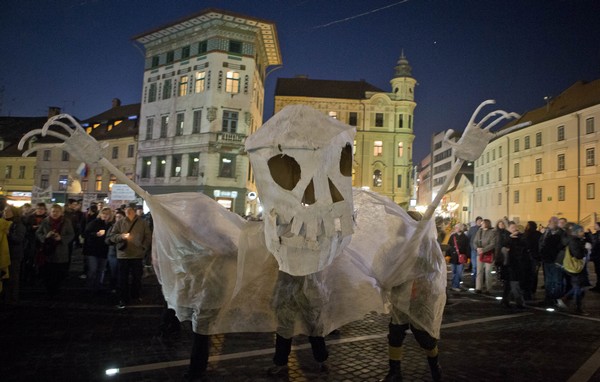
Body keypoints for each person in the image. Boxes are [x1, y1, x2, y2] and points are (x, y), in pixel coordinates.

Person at [108, 204, 152, 308]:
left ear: (134, 211)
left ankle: (135, 295)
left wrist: (144, 248)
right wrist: (121, 236)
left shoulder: (142, 222)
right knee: (123, 278)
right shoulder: (120, 222)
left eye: (130, 211)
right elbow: (112, 236)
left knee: (137, 277)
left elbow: (148, 236)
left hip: (137, 254)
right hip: (123, 255)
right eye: (127, 211)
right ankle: (123, 298)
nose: (128, 213)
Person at [35, 204, 74, 296]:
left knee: (59, 273)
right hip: (48, 251)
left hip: (61, 250)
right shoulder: (45, 221)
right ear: (50, 212)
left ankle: (56, 289)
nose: (55, 213)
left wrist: (61, 238)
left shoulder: (66, 222)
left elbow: (71, 234)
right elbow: (38, 233)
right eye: (53, 211)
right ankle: (49, 290)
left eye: (57, 211)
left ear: (61, 213)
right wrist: (45, 236)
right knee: (48, 272)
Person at [559, 225, 590, 315]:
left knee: (578, 287)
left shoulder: (575, 240)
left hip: (576, 267)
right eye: (581, 231)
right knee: (578, 287)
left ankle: (564, 299)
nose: (583, 232)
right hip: (576, 267)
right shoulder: (574, 241)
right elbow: (578, 255)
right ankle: (577, 307)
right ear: (576, 232)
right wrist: (586, 249)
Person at [1, 205, 26, 305]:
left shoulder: (18, 224)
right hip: (3, 255)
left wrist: (9, 234)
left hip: (14, 255)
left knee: (13, 279)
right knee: (4, 278)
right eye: (4, 210)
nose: (5, 212)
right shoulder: (2, 223)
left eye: (8, 211)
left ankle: (13, 300)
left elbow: (19, 239)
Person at [539, 216, 566, 307]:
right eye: (550, 221)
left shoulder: (562, 233)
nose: (551, 223)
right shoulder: (547, 232)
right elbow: (541, 243)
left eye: (554, 221)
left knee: (557, 280)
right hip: (546, 259)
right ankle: (548, 298)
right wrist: (542, 255)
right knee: (548, 280)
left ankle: (556, 298)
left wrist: (559, 260)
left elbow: (563, 247)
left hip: (556, 260)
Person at [498, 222, 526, 308]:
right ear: (508, 228)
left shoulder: (519, 236)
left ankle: (508, 300)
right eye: (513, 227)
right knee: (510, 283)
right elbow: (501, 245)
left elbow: (523, 245)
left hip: (515, 263)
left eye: (515, 227)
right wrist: (510, 238)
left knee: (512, 283)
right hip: (507, 263)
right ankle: (517, 301)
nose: (515, 229)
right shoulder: (505, 236)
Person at [84, 207, 112, 292]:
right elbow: (86, 234)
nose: (105, 215)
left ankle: (98, 285)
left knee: (101, 270)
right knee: (93, 269)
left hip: (104, 250)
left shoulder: (110, 225)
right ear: (100, 214)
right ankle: (90, 286)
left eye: (107, 214)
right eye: (103, 213)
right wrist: (96, 234)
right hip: (92, 250)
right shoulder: (94, 223)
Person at [475, 219, 496, 294]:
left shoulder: (492, 232)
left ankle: (488, 288)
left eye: (483, 223)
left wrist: (483, 250)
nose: (481, 224)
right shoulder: (479, 231)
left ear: (487, 224)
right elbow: (475, 241)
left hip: (488, 254)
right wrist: (477, 248)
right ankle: (478, 287)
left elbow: (493, 243)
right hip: (479, 253)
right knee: (479, 271)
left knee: (488, 271)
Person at [522, 221, 542, 300]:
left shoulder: (534, 234)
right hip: (529, 257)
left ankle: (530, 291)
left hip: (533, 257)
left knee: (532, 275)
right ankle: (529, 291)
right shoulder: (527, 234)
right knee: (530, 275)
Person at [446, 223, 469, 292]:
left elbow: (467, 248)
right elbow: (449, 246)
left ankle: (455, 285)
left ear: (460, 228)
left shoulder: (465, 237)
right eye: (455, 227)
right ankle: (455, 285)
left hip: (461, 257)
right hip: (453, 257)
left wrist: (468, 257)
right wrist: (447, 255)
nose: (455, 229)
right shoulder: (452, 236)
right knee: (454, 272)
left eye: (457, 227)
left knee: (459, 272)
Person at [587, 222, 600, 292]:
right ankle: (598, 286)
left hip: (598, 256)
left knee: (598, 271)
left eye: (595, 225)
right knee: (597, 272)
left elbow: (594, 241)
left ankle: (598, 287)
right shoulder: (597, 233)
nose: (594, 226)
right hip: (597, 256)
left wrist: (589, 233)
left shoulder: (598, 234)